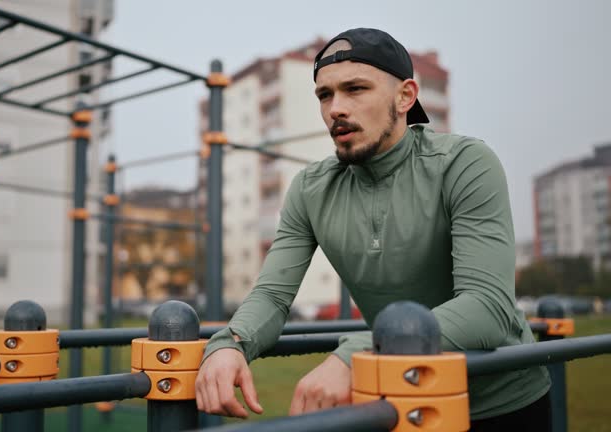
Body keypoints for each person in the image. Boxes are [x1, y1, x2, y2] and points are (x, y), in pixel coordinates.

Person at [195, 28, 552, 431]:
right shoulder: (310, 188)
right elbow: (273, 296)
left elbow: (487, 306)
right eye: (325, 95)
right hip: (396, 400)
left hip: (502, 403)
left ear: (405, 96)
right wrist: (230, 344)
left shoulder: (465, 163)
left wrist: (354, 354)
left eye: (356, 89)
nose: (336, 109)